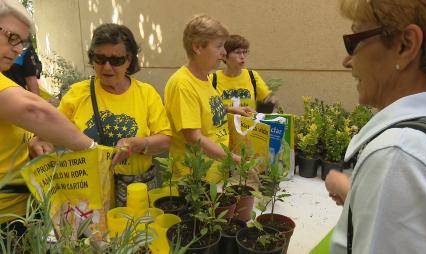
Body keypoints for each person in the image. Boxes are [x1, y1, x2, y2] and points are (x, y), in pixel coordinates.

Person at [326, 0, 426, 253]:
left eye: (355, 41)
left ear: (406, 45)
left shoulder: (399, 154)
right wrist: (360, 196)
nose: (347, 60)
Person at [30, 23, 172, 206]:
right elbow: (50, 133)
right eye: (100, 59)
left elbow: (165, 139)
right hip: (88, 193)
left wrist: (140, 143)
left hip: (135, 190)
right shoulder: (77, 94)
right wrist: (39, 141)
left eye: (116, 60)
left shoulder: (147, 94)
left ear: (129, 60)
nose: (106, 67)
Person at [0, 0, 94, 234]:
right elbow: (34, 111)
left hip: (24, 207)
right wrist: (93, 151)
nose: (17, 49)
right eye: (12, 38)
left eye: (21, 43)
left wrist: (34, 138)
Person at [164, 15, 253, 183]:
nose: (224, 53)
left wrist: (230, 109)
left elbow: (204, 110)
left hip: (215, 176)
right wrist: (236, 160)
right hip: (196, 184)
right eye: (219, 46)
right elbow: (194, 137)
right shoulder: (183, 84)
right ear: (197, 47)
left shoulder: (205, 78)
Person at [211, 34, 278, 112]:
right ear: (225, 56)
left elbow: (267, 98)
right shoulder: (212, 79)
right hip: (224, 124)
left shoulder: (252, 76)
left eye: (244, 52)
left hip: (249, 123)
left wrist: (271, 101)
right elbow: (209, 107)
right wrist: (230, 109)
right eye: (237, 52)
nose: (242, 56)